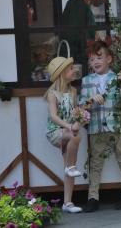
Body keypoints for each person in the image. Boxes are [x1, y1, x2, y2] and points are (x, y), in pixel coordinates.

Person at [81, 41, 121, 212]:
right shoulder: (86, 80)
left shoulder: (116, 78)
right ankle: (93, 198)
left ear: (109, 59)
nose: (95, 62)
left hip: (116, 125)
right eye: (91, 60)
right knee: (95, 162)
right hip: (96, 127)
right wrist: (91, 100)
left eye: (99, 57)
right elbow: (81, 105)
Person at [45, 57, 83, 213]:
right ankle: (71, 167)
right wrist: (69, 126)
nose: (73, 70)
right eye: (70, 68)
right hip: (55, 132)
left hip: (68, 131)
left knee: (69, 167)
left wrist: (78, 117)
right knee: (75, 137)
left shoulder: (73, 91)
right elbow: (54, 116)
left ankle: (67, 203)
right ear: (61, 73)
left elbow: (74, 112)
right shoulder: (52, 94)